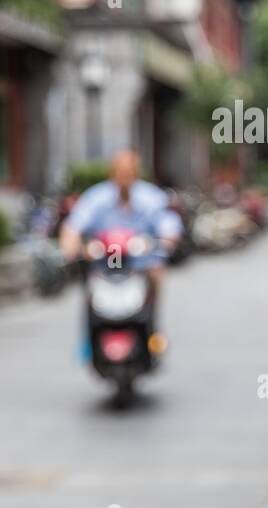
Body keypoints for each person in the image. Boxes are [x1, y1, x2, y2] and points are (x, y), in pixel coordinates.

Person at [59, 149, 182, 356]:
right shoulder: (97, 197)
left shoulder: (151, 197)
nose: (124, 177)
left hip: (140, 267)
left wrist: (164, 242)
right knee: (86, 285)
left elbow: (169, 227)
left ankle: (153, 331)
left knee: (157, 273)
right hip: (105, 267)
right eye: (120, 171)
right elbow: (73, 227)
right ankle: (89, 340)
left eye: (129, 171)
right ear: (112, 173)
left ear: (136, 173)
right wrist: (73, 248)